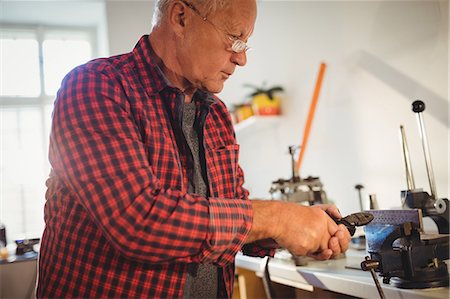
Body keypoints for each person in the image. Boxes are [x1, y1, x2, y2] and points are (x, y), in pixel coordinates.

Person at [37, 0, 351, 298]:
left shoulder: (215, 114)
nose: (242, 58)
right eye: (234, 38)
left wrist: (301, 225)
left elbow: (230, 219)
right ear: (180, 18)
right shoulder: (96, 87)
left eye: (246, 43)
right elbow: (139, 222)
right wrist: (279, 219)